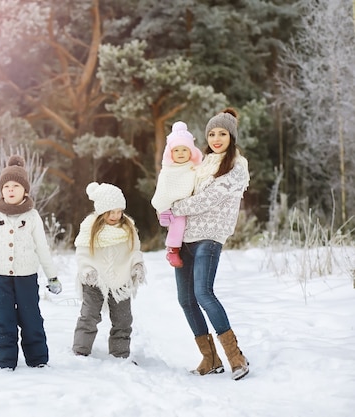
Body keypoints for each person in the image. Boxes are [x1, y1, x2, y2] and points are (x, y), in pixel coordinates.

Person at [160, 108, 250, 380]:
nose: (216, 138)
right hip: (185, 238)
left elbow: (207, 199)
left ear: (231, 136)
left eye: (222, 133)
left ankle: (236, 357)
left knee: (203, 293)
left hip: (209, 238)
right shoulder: (201, 165)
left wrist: (174, 207)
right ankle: (209, 358)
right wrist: (165, 204)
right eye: (211, 133)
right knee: (185, 299)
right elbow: (177, 186)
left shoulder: (237, 167)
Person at [0, 155, 62, 371]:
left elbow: (42, 248)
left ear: (25, 190)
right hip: (0, 277)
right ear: (1, 190)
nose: (10, 190)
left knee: (31, 317)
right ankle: (4, 361)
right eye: (6, 186)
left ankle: (37, 359)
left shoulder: (32, 216)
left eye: (16, 186)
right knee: (4, 319)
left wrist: (52, 276)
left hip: (26, 277)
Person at [72, 182, 145, 360]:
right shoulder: (89, 227)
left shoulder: (128, 227)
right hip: (95, 280)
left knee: (123, 320)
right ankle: (81, 352)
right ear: (101, 210)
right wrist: (87, 269)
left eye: (119, 211)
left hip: (121, 281)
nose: (116, 216)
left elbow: (134, 250)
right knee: (89, 317)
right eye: (111, 212)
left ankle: (120, 354)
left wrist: (137, 265)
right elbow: (82, 252)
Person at [151, 121, 203, 268]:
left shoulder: (195, 168)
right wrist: (163, 208)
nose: (180, 153)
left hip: (191, 206)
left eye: (184, 150)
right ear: (170, 153)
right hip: (174, 206)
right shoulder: (168, 169)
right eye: (176, 150)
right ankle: (172, 249)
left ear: (191, 152)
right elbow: (163, 189)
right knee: (178, 222)